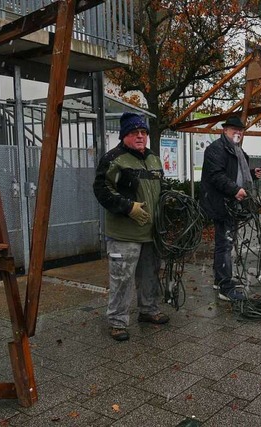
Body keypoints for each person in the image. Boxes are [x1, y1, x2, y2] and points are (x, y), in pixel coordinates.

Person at [93, 112, 169, 341]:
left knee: (150, 274)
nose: (140, 136)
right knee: (122, 277)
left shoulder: (153, 159)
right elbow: (101, 190)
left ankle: (148, 310)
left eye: (143, 132)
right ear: (124, 135)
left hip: (150, 232)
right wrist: (128, 208)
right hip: (124, 233)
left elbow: (160, 187)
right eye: (135, 133)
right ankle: (117, 321)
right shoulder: (114, 159)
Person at [200, 116, 261, 301]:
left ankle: (220, 278)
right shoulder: (216, 149)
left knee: (225, 242)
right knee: (225, 243)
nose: (238, 133)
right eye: (234, 130)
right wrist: (235, 189)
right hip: (220, 203)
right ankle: (224, 287)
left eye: (241, 130)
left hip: (232, 203)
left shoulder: (236, 149)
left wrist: (252, 174)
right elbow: (216, 175)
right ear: (225, 130)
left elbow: (234, 173)